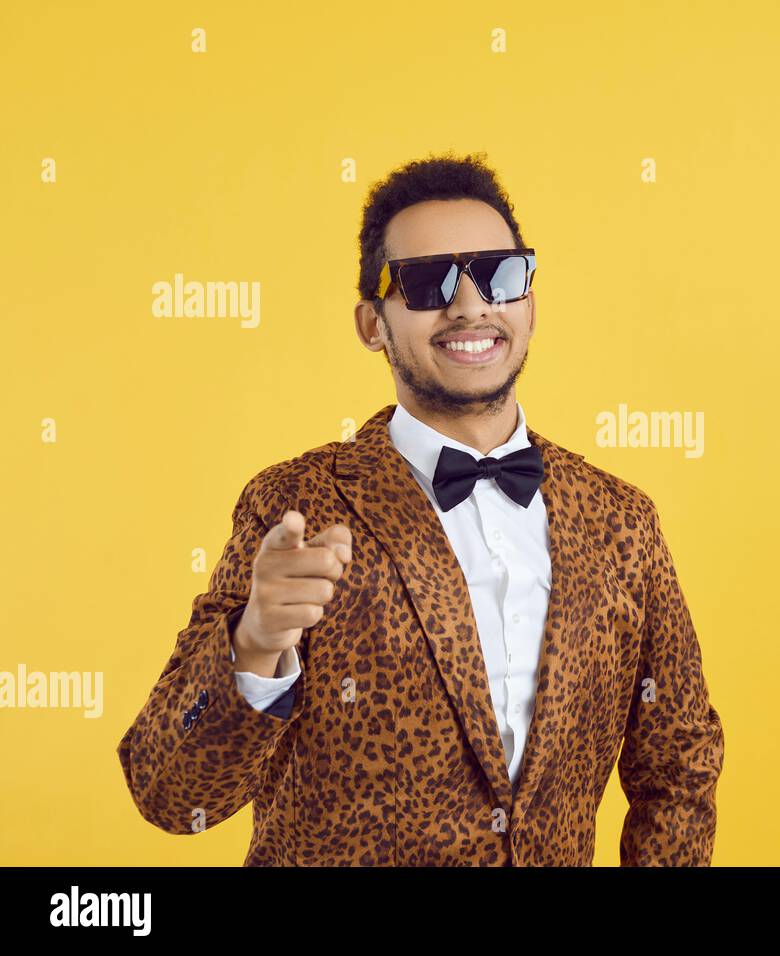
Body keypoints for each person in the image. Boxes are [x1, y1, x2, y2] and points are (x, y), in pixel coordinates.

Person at [116, 150, 725, 866]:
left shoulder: (621, 520)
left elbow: (680, 764)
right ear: (373, 323)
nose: (471, 306)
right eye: (429, 283)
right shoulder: (295, 507)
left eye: (499, 275)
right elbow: (167, 793)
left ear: (529, 298)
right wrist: (251, 644)